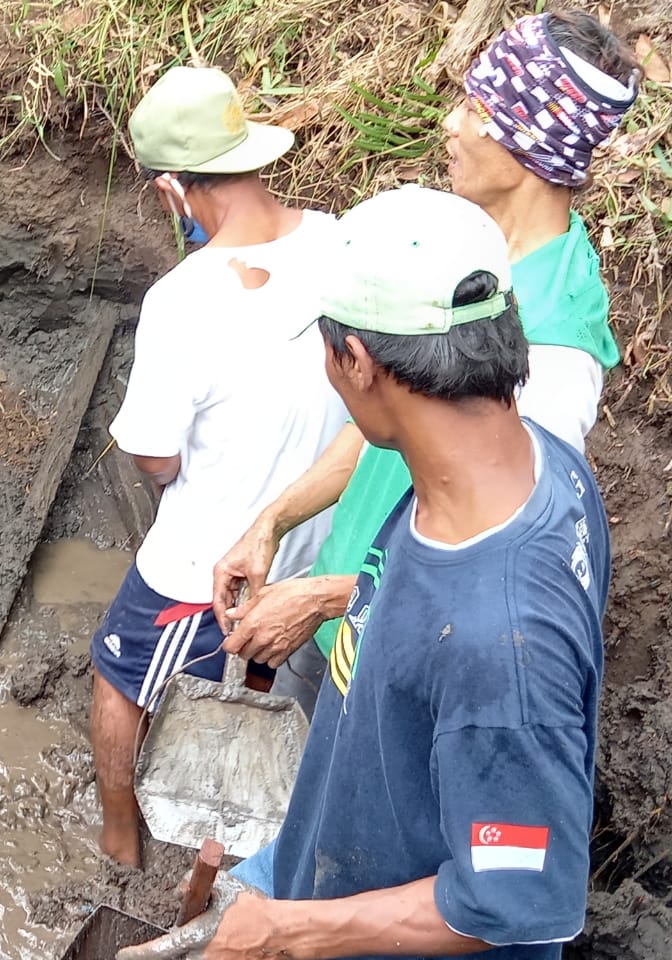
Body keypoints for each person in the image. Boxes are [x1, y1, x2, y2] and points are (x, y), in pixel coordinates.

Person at [120, 185, 611, 960]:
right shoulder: (523, 464)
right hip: (344, 859)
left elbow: (516, 896)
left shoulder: (502, 643)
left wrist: (289, 932)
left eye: (326, 347)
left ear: (356, 361)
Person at [211, 9, 640, 717]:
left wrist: (321, 597)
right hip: (341, 614)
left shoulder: (552, 350)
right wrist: (274, 522)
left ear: (530, 142)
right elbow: (382, 417)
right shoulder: (464, 252)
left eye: (477, 107)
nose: (451, 123)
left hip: (401, 659)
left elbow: (499, 564)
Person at [89, 65, 347, 867]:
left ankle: (122, 834)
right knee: (260, 681)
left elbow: (154, 451)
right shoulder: (341, 240)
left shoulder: (184, 297)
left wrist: (171, 482)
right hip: (314, 543)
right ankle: (238, 840)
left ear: (173, 188)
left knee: (117, 671)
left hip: (208, 560)